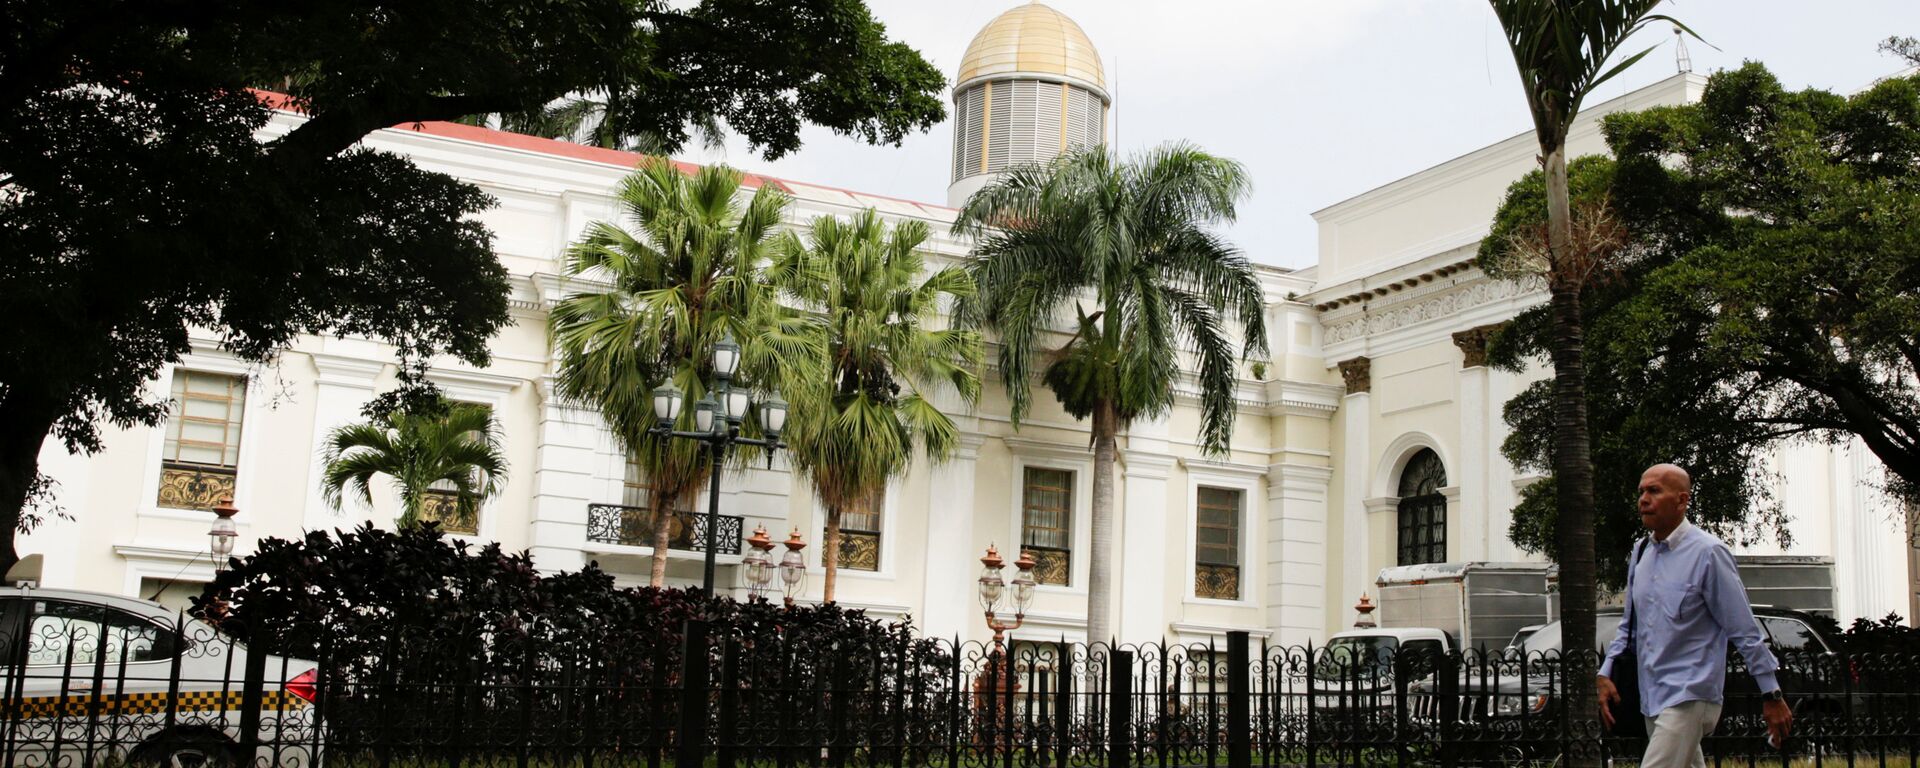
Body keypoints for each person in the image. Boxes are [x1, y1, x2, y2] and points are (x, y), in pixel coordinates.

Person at [1597, 463, 1792, 767]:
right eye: (1641, 492)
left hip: (1690, 695)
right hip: (1652, 696)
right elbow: (1629, 627)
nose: (1644, 499)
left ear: (1682, 500)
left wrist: (1772, 694)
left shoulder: (1708, 553)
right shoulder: (1640, 554)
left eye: (1654, 490)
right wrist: (1605, 672)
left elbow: (1743, 629)